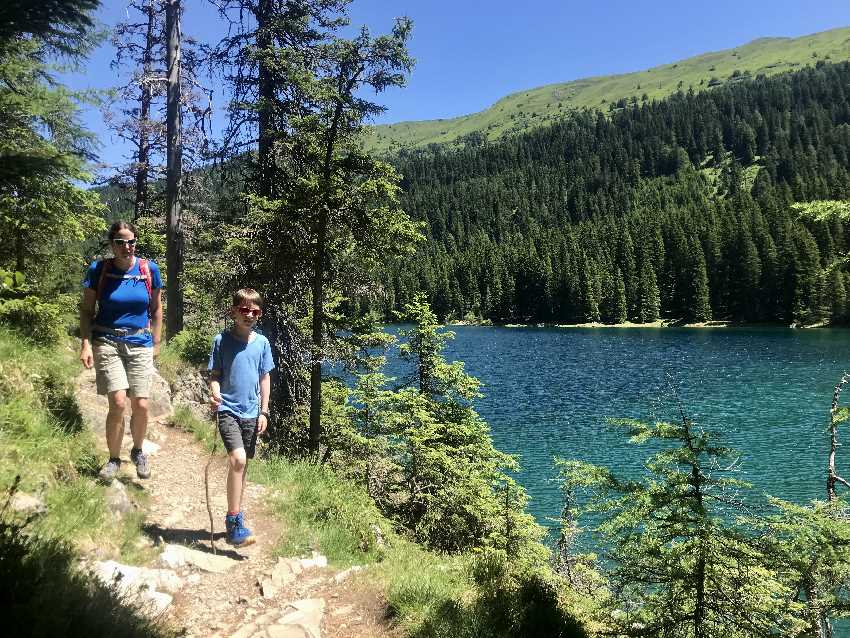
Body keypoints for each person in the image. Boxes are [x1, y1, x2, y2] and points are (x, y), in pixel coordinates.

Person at [79, 221, 163, 481]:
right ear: (111, 244)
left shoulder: (149, 270)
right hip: (107, 340)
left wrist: (157, 343)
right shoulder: (98, 270)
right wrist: (85, 343)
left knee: (141, 403)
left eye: (131, 242)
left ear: (136, 242)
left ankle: (138, 451)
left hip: (140, 342)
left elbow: (156, 309)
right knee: (116, 402)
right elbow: (86, 310)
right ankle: (114, 459)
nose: (126, 247)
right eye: (120, 242)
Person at [208, 288, 274, 546]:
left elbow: (264, 377)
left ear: (259, 314)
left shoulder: (262, 343)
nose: (249, 315)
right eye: (244, 310)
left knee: (242, 466)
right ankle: (233, 522)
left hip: (251, 412)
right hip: (227, 409)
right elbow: (214, 374)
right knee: (238, 459)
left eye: (254, 311)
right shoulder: (221, 341)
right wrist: (215, 393)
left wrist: (264, 410)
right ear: (234, 311)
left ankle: (237, 517)